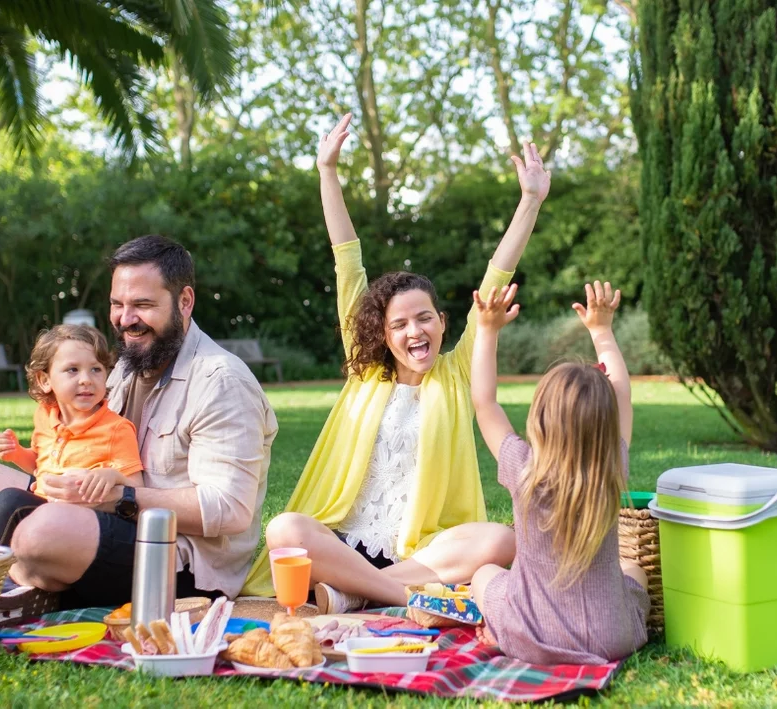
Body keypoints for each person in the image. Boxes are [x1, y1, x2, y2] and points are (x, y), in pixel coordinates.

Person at [243, 112, 550, 612]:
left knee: (500, 541)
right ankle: (398, 596)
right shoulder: (365, 370)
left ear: (444, 323)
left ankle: (349, 595)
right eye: (400, 325)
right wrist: (327, 172)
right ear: (382, 335)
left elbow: (496, 277)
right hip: (343, 541)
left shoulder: (456, 374)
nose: (415, 332)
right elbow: (347, 259)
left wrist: (530, 201)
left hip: (420, 553)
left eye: (424, 319)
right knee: (285, 529)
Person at [0, 235, 278, 614]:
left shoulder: (221, 381)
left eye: (142, 305)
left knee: (39, 531)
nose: (126, 319)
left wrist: (121, 498)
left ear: (185, 301)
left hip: (177, 557)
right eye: (117, 304)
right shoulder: (128, 364)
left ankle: (11, 580)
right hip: (95, 509)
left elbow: (230, 509)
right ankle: (12, 576)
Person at [468, 281, 648, 665]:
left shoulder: (523, 468)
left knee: (484, 574)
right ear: (606, 424)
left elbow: (484, 404)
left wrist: (487, 330)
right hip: (610, 637)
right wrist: (601, 331)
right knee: (633, 569)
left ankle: (499, 633)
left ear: (540, 419)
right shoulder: (611, 465)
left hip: (530, 634)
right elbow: (623, 396)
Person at [0, 324, 145, 547]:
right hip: (42, 506)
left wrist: (112, 476)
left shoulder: (116, 428)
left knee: (10, 500)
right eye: (73, 370)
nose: (86, 379)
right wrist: (17, 454)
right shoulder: (45, 416)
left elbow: (137, 485)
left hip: (79, 522)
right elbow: (39, 465)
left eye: (96, 369)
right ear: (44, 380)